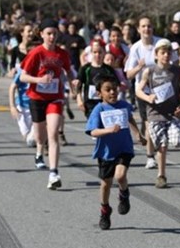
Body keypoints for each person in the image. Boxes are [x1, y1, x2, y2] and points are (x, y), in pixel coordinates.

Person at [20, 18, 75, 190]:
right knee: (39, 135)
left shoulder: (62, 53)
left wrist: (74, 84)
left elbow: (68, 72)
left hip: (54, 98)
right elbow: (23, 77)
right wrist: (39, 79)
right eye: (49, 33)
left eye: (54, 34)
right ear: (42, 34)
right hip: (36, 97)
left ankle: (54, 173)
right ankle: (38, 152)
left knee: (53, 134)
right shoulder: (36, 53)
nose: (52, 37)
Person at [85, 75, 146, 230]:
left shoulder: (124, 105)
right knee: (105, 184)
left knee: (120, 175)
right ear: (99, 93)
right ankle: (105, 209)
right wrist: (108, 130)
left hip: (124, 148)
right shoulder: (99, 109)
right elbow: (92, 131)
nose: (112, 92)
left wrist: (138, 134)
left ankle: (123, 194)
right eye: (108, 90)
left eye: (115, 89)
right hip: (106, 152)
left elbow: (130, 118)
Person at [124, 17, 178, 170]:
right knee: (149, 124)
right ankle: (150, 157)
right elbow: (128, 75)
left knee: (159, 124)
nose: (146, 29)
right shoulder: (136, 48)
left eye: (149, 26)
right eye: (143, 26)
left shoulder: (161, 43)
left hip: (164, 91)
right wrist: (139, 67)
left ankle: (158, 149)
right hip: (144, 91)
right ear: (139, 29)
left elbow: (175, 62)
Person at [134, 38, 180, 188]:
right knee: (162, 146)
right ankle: (161, 175)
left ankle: (161, 168)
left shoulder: (177, 71)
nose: (166, 55)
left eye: (168, 52)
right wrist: (147, 97)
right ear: (156, 54)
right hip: (155, 114)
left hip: (172, 113)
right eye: (163, 52)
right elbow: (138, 90)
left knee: (177, 142)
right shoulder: (149, 71)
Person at [76, 41, 117, 118]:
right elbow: (79, 84)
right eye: (95, 52)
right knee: (94, 126)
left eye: (100, 52)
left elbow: (115, 85)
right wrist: (79, 100)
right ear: (91, 53)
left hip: (106, 103)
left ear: (104, 53)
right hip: (90, 104)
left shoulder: (108, 69)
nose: (97, 55)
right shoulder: (85, 68)